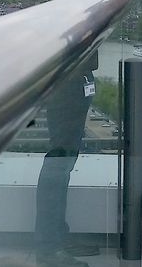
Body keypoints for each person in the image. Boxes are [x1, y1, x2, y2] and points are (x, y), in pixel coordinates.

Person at [34, 52, 99, 267]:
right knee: (58, 163)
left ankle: (57, 237)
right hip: (67, 81)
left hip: (75, 79)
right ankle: (49, 247)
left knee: (64, 163)